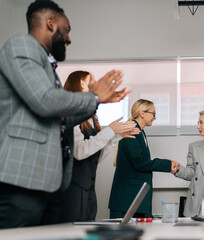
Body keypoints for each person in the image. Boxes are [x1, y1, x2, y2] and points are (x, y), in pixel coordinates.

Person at [0, 0, 130, 229]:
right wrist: (93, 97)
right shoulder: (21, 46)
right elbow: (44, 100)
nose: (69, 38)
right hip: (22, 178)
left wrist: (96, 102)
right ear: (50, 23)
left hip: (47, 184)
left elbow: (61, 120)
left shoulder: (47, 68)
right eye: (66, 29)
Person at [58, 71, 140, 222]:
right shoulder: (70, 115)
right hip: (73, 189)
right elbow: (79, 152)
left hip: (89, 189)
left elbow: (96, 157)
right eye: (91, 82)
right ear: (79, 85)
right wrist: (110, 130)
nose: (96, 86)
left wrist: (116, 136)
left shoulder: (91, 118)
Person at [108, 99, 180, 218]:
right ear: (142, 113)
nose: (155, 117)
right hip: (127, 201)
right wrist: (167, 164)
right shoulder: (132, 130)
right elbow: (139, 163)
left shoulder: (140, 132)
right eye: (153, 114)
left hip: (134, 199)